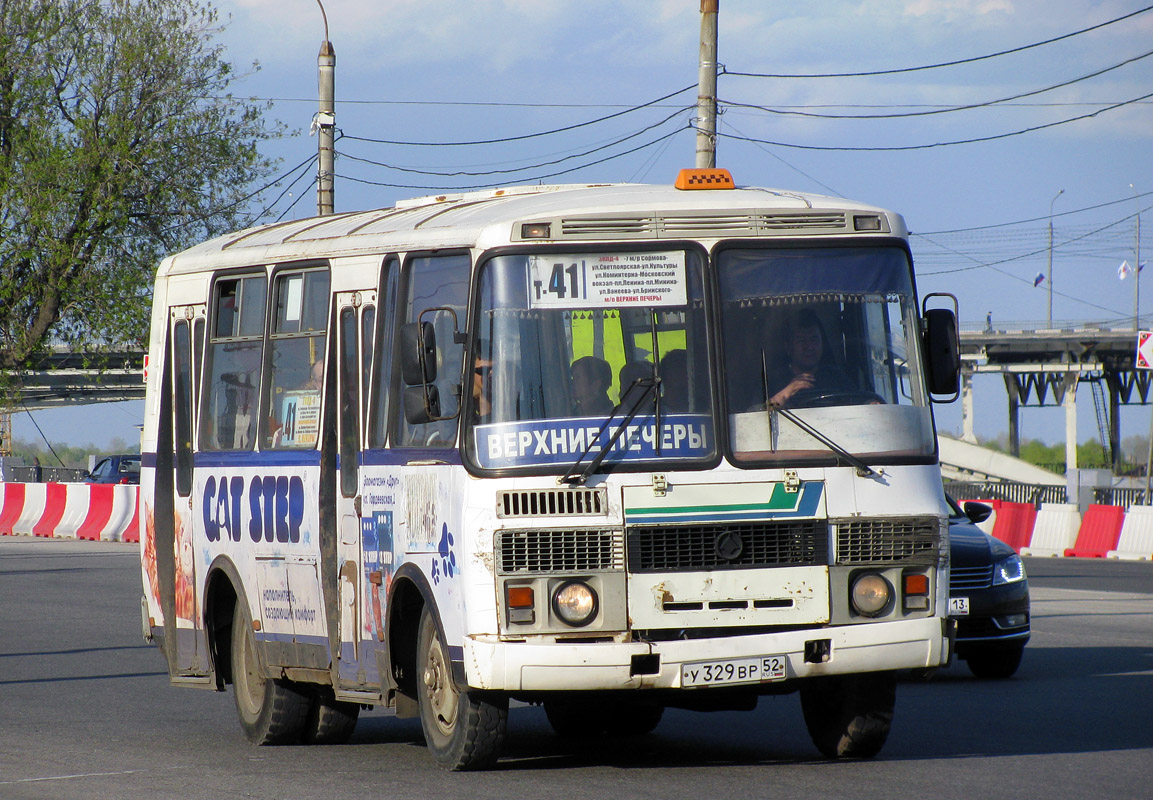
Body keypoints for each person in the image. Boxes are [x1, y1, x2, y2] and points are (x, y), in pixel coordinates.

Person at [765, 309, 854, 409]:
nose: (809, 347)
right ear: (788, 347)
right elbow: (756, 416)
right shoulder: (772, 382)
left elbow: (860, 402)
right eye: (801, 340)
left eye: (814, 339)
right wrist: (789, 390)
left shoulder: (837, 378)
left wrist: (871, 403)